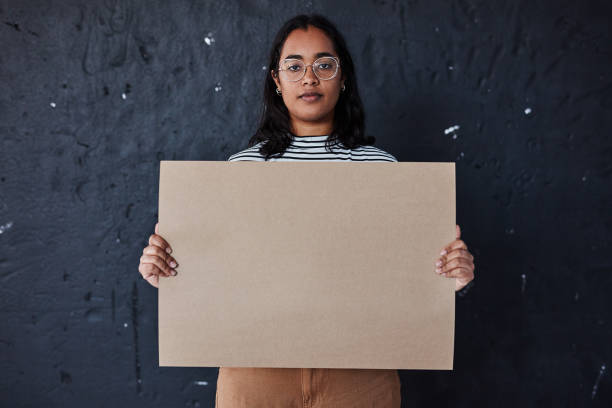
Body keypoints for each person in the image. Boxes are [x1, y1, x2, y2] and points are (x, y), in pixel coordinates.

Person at [138, 13, 476, 408]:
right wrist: (168, 274)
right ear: (276, 81)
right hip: (255, 369)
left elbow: (404, 275)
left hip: (361, 370)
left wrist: (451, 278)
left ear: (343, 77)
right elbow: (217, 274)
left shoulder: (382, 169)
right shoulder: (241, 170)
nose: (309, 77)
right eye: (294, 66)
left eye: (324, 65)